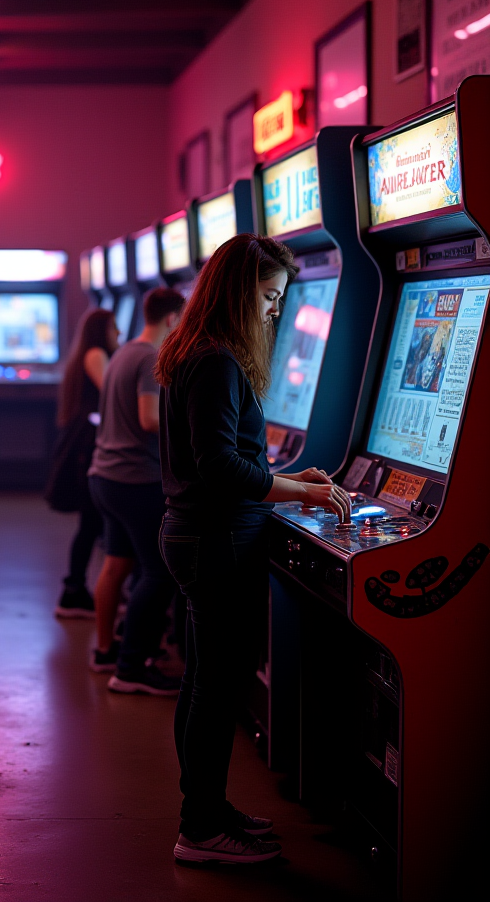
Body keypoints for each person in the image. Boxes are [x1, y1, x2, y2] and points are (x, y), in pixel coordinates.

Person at [156, 233, 352, 864]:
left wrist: (295, 483)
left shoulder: (194, 350)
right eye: (270, 296)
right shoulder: (217, 359)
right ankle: (202, 829)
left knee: (203, 682)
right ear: (240, 293)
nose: (276, 310)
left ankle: (207, 809)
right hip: (215, 539)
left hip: (199, 535)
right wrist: (302, 492)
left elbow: (227, 458)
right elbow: (219, 466)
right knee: (216, 688)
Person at [86, 287, 185, 692]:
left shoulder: (124, 352)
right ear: (172, 320)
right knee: (159, 572)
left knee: (117, 565)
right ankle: (129, 669)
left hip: (105, 476)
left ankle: (106, 651)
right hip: (134, 479)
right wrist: (193, 433)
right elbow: (148, 419)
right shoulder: (149, 357)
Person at [50, 308, 117, 618]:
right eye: (114, 329)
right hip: (89, 447)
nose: (118, 334)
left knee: (93, 524)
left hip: (85, 443)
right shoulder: (95, 354)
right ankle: (74, 591)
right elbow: (113, 395)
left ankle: (82, 589)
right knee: (91, 522)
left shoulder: (84, 353)